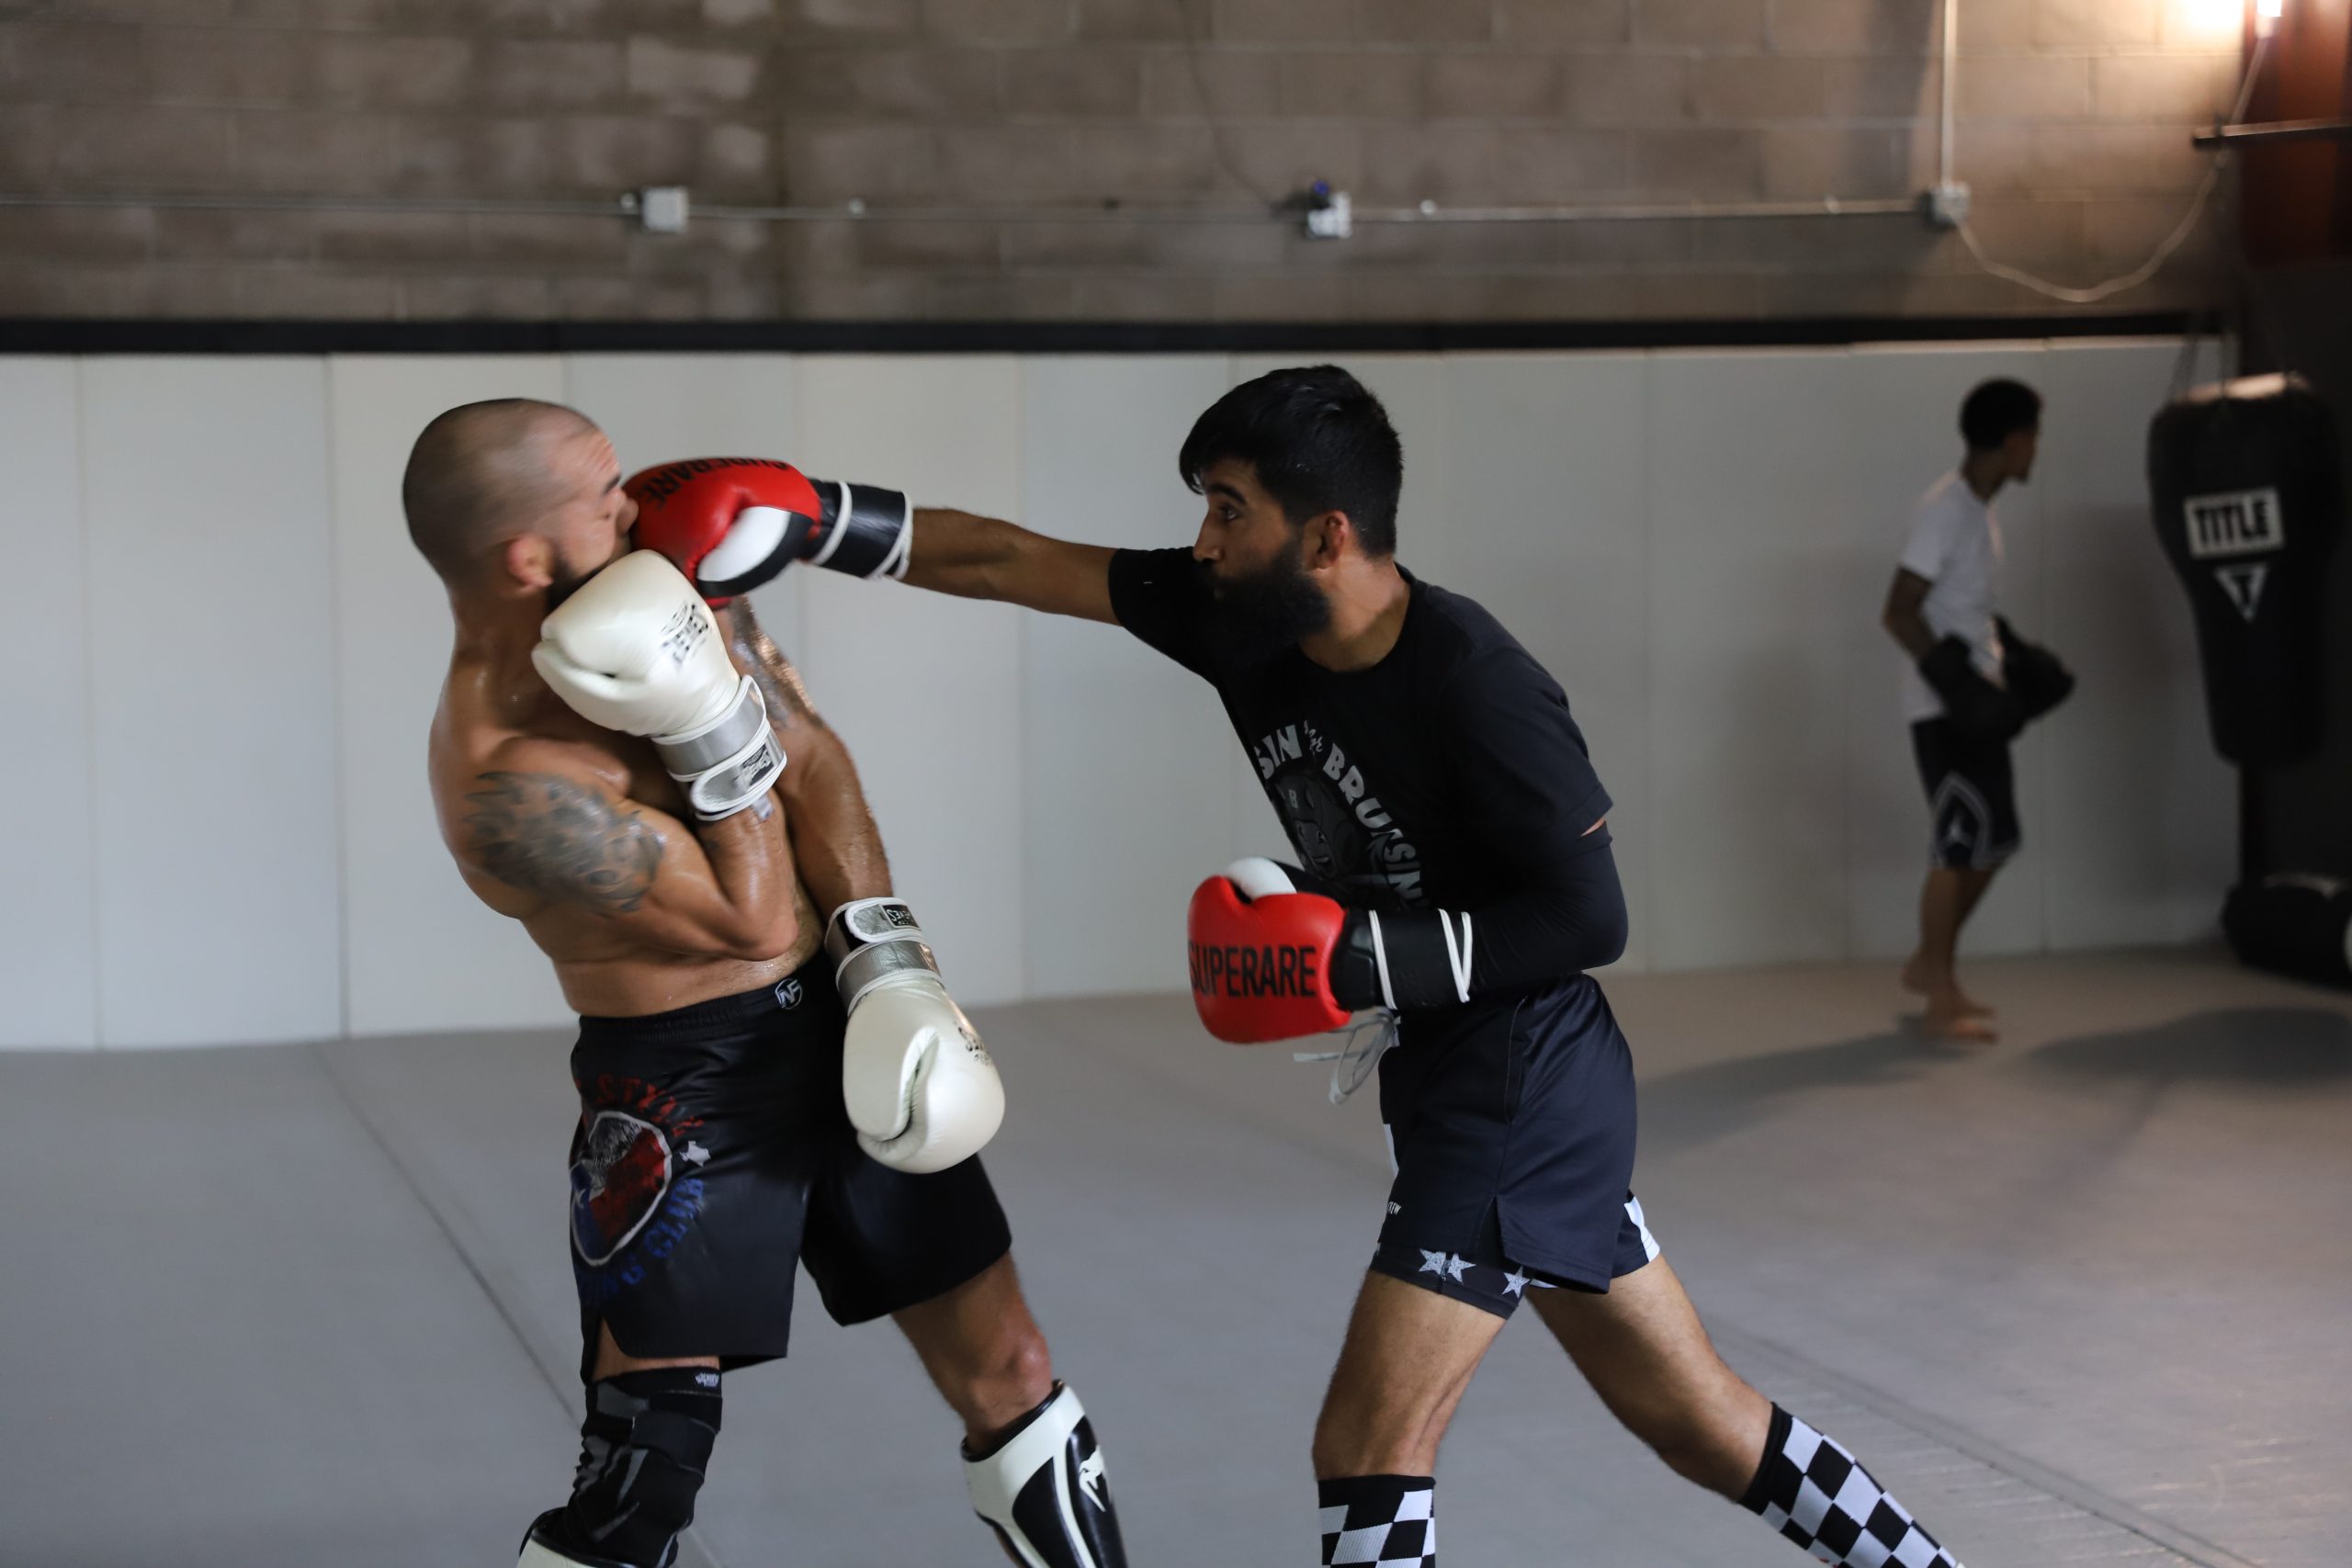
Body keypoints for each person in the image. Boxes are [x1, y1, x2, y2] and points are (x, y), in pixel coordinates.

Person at [663, 367, 1969, 1568]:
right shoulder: (1238, 618)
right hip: (1454, 1066)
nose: (1207, 540)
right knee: (1699, 1418)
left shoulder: (1478, 681)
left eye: (1232, 509)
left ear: (1329, 535)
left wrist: (1365, 952)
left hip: (1525, 1076)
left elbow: (1589, 914)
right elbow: (1009, 559)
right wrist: (812, 510)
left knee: (1365, 1447)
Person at [403, 400, 1126, 1568]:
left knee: (1014, 1373)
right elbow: (740, 912)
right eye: (600, 498)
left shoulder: (659, 588)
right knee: (642, 1473)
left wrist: (886, 958)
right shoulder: (502, 782)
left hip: (838, 1014)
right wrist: (702, 723)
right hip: (684, 1081)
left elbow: (820, 758)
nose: (635, 506)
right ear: (523, 557)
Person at [1879, 378, 2043, 1044]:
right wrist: (1957, 686)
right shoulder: (1945, 509)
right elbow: (1899, 608)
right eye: (2035, 436)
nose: (2037, 450)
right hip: (1945, 713)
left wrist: (2014, 661)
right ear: (2013, 440)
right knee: (1956, 845)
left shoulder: (1979, 512)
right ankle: (1939, 994)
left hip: (1976, 708)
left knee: (1996, 840)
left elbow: (1962, 610)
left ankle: (1929, 962)